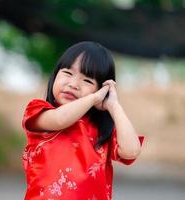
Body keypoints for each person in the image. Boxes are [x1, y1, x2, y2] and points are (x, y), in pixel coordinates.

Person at [21, 41, 145, 200]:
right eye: (67, 73)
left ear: (101, 90)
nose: (73, 84)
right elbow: (60, 119)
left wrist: (113, 105)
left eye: (87, 81)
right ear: (55, 74)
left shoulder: (102, 130)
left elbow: (131, 151)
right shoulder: (38, 111)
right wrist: (93, 98)